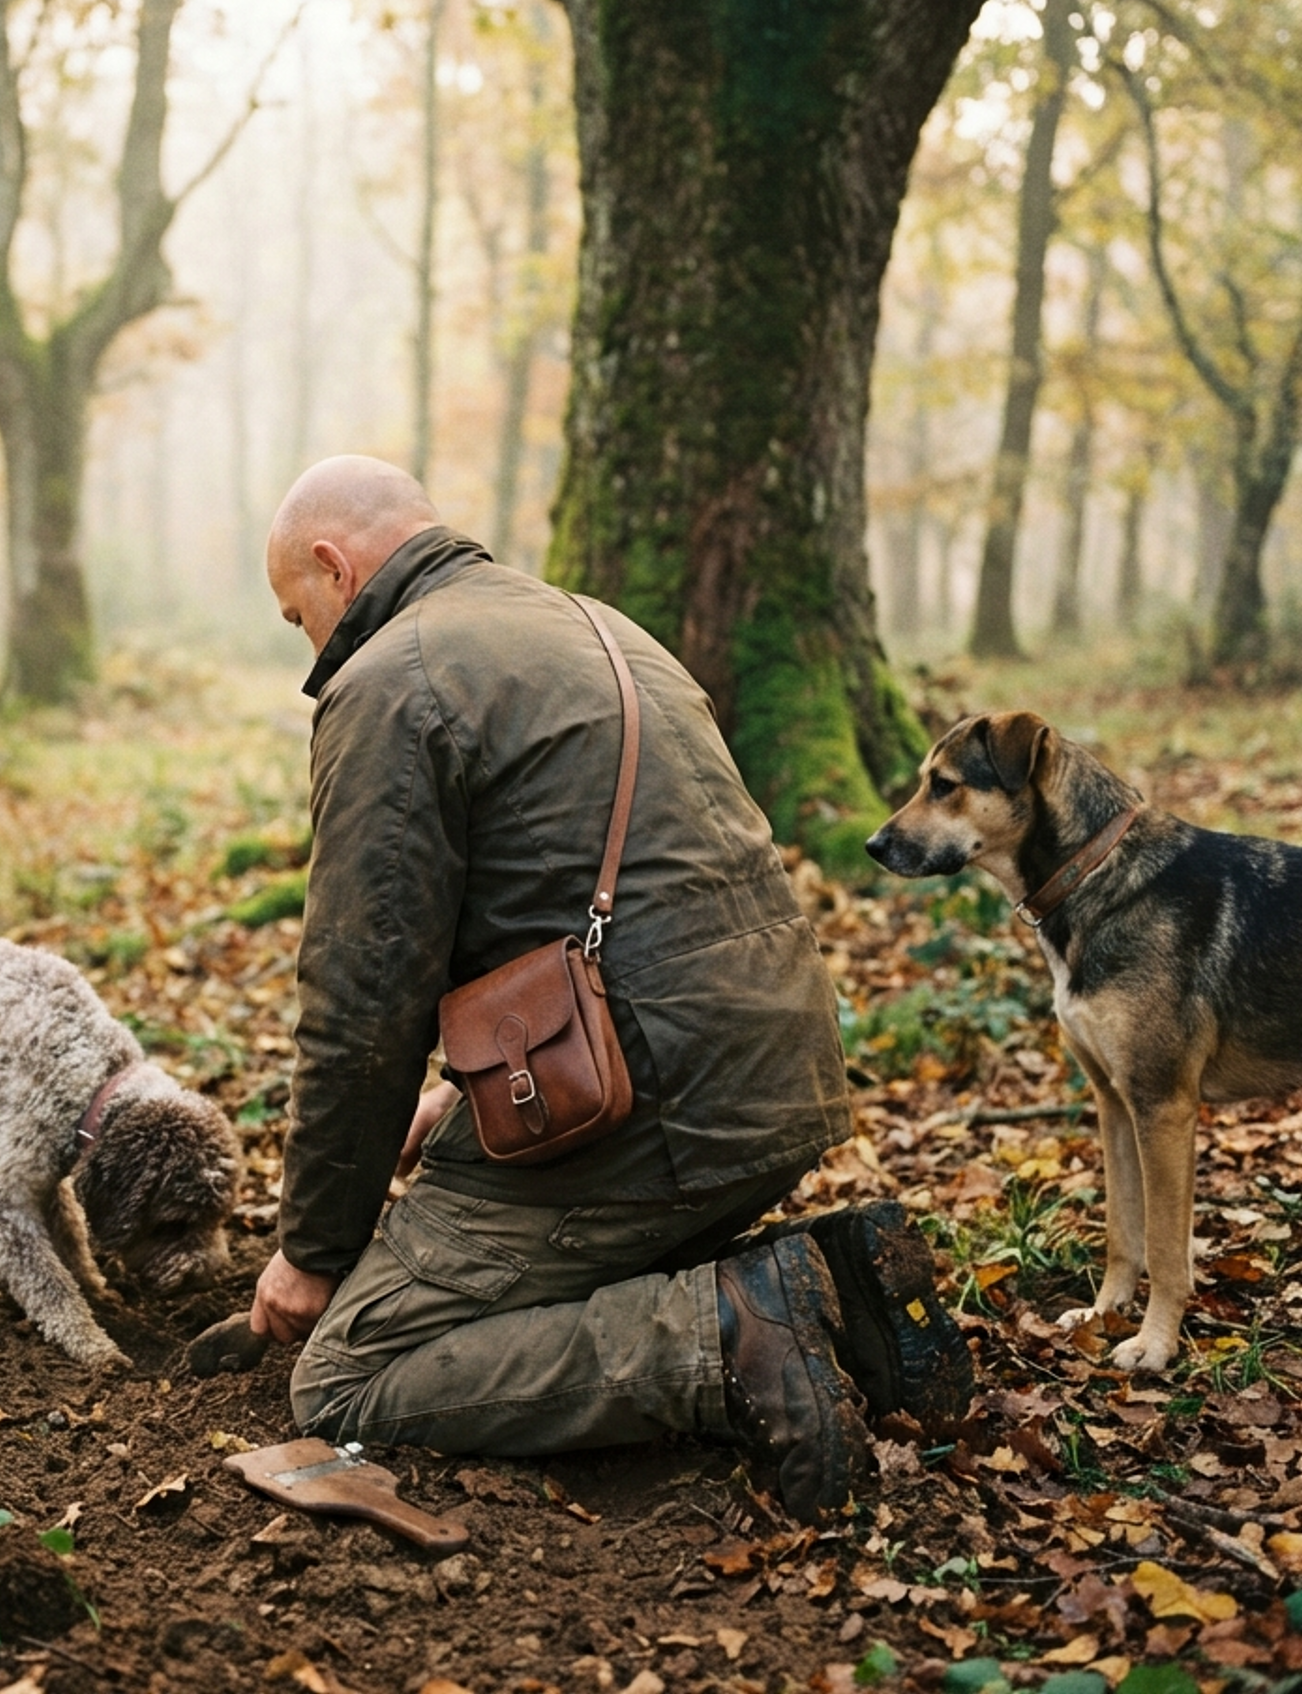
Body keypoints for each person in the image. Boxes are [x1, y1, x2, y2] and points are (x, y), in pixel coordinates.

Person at [247, 455, 966, 1522]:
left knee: (350, 1373)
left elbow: (360, 1004)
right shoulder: (602, 626)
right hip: (779, 1067)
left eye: (297, 615)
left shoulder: (390, 680)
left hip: (649, 1098)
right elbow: (610, 888)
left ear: (334, 567)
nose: (310, 647)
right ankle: (840, 1288)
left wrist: (313, 1252)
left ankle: (728, 1333)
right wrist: (464, 1089)